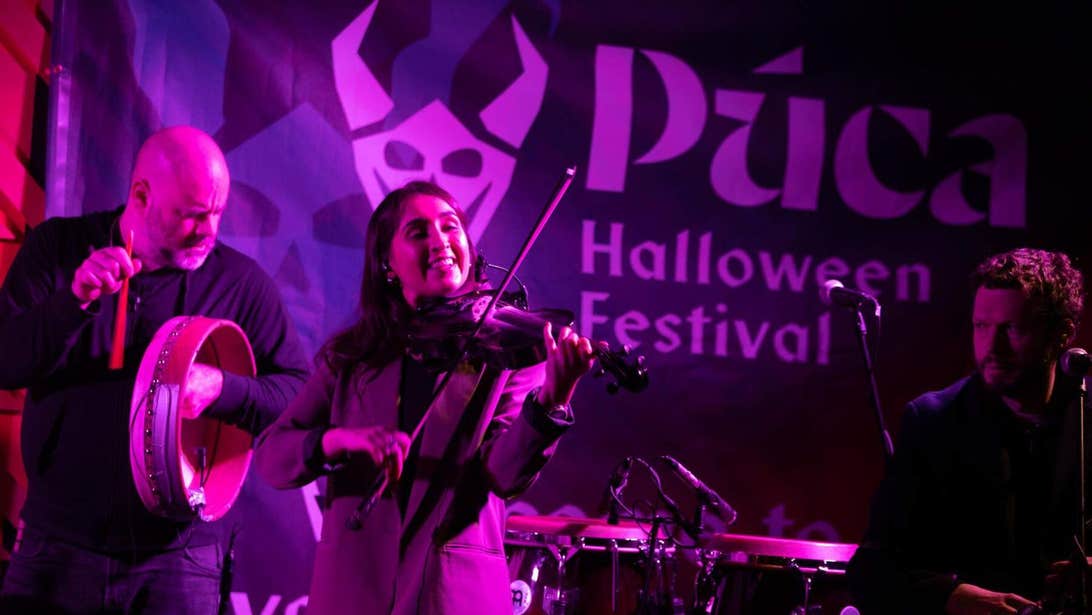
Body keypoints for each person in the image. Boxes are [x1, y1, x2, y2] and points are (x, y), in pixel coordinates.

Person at [0, 126, 309, 613]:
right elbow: (6, 364)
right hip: (58, 543)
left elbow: (300, 397)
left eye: (218, 213)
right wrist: (72, 302)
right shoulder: (58, 248)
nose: (208, 230)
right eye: (192, 215)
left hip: (180, 556)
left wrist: (223, 388)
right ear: (141, 195)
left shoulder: (240, 283)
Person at [255, 180, 596, 615]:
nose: (440, 241)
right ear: (387, 265)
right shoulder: (353, 357)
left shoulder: (509, 351)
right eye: (418, 232)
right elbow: (271, 457)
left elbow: (503, 474)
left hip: (452, 592)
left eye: (451, 227)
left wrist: (552, 400)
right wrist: (338, 440)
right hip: (354, 591)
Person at [847, 248, 1087, 614]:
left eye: (1012, 328)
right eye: (981, 327)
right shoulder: (933, 421)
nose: (993, 346)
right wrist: (951, 596)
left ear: (1063, 334)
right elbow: (872, 570)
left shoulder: (1085, 418)